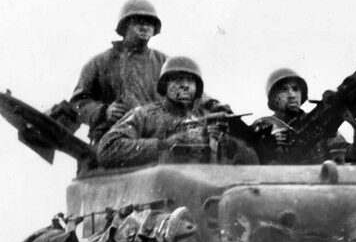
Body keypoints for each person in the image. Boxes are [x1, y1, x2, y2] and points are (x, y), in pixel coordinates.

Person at [96, 56, 252, 168]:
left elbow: (252, 159)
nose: (185, 85)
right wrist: (164, 145)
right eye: (178, 80)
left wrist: (227, 143)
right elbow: (107, 149)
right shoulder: (144, 115)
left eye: (190, 80)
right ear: (165, 85)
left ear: (197, 88)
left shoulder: (208, 118)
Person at [53, 0, 166, 145]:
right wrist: (103, 112)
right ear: (125, 25)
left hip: (154, 144)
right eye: (139, 21)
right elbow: (78, 102)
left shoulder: (164, 63)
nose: (145, 27)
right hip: (109, 141)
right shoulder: (100, 62)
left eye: (150, 23)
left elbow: (188, 100)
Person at [249, 68, 350, 164]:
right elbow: (245, 157)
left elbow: (344, 151)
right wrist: (264, 147)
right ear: (273, 97)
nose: (292, 95)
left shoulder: (318, 122)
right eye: (284, 89)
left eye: (295, 89)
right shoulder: (263, 125)